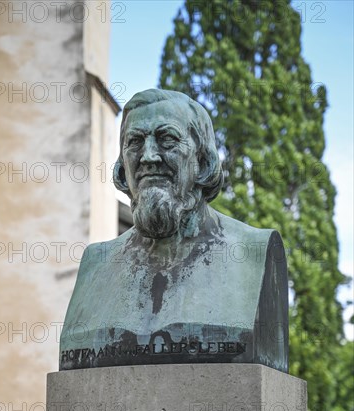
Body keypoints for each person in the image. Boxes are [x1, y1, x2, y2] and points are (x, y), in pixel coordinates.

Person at [60, 89, 288, 371]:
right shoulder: (96, 263)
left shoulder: (254, 251)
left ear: (203, 161)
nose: (149, 157)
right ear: (122, 164)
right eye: (135, 142)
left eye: (167, 139)